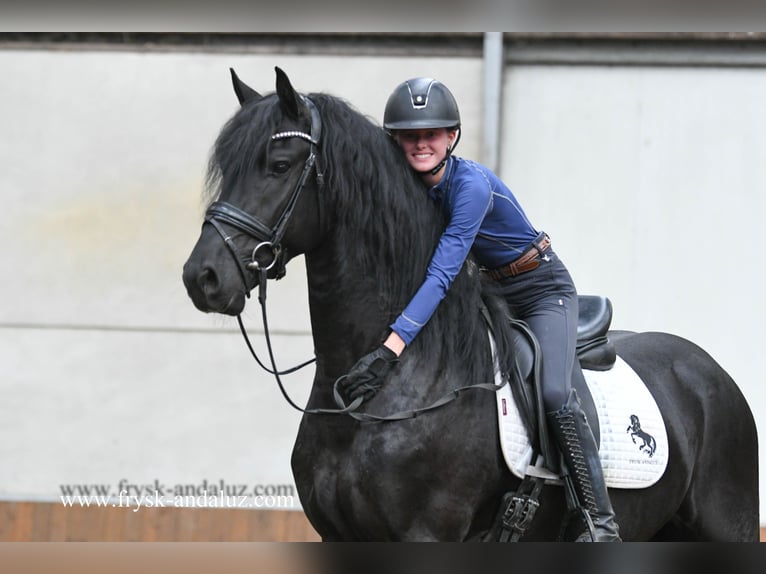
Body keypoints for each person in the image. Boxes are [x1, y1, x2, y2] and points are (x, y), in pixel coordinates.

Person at [339, 77, 620, 542]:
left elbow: (442, 274)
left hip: (541, 289)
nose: (421, 143)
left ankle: (599, 521)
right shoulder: (410, 187)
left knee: (552, 392)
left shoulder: (470, 187)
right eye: (410, 135)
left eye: (432, 134)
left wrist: (390, 347)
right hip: (490, 290)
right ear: (396, 142)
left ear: (452, 137)